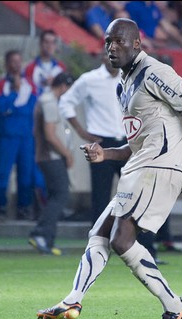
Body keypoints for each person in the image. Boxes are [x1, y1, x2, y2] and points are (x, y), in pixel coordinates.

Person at [37, 18, 182, 319]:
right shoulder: (125, 85)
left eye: (119, 41)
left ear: (137, 43)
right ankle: (72, 301)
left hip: (163, 165)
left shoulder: (154, 72)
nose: (111, 47)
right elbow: (136, 145)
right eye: (108, 42)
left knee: (121, 239)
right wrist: (106, 154)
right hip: (142, 163)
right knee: (100, 233)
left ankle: (174, 306)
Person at [58, 52, 127, 223]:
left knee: (136, 191)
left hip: (127, 142)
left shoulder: (129, 78)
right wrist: (81, 132)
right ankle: (99, 241)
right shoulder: (89, 79)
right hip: (101, 142)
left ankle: (141, 240)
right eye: (109, 54)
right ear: (103, 58)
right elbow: (66, 102)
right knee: (101, 196)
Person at [29, 72, 75, 256]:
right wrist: (67, 153)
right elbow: (49, 134)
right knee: (61, 195)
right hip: (51, 156)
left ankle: (48, 239)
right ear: (63, 86)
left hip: (48, 156)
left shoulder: (47, 100)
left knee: (56, 196)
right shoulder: (49, 101)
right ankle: (40, 234)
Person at [0, 49, 39, 220]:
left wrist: (11, 109)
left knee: (26, 174)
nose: (17, 65)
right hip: (7, 135)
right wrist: (13, 92)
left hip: (26, 136)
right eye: (13, 61)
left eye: (19, 61)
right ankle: (1, 207)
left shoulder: (31, 84)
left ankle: (24, 208)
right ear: (7, 64)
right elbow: (1, 108)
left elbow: (30, 108)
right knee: (3, 173)